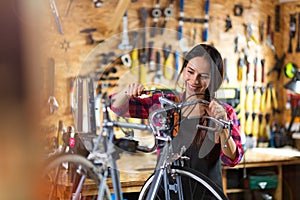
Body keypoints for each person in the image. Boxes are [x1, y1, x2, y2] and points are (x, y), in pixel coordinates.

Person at [110, 44, 244, 191]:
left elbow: (232, 159)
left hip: (207, 193)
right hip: (168, 191)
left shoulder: (224, 112)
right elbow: (117, 107)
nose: (194, 80)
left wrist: (223, 125)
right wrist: (127, 92)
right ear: (184, 70)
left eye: (203, 76)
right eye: (191, 72)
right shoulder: (165, 105)